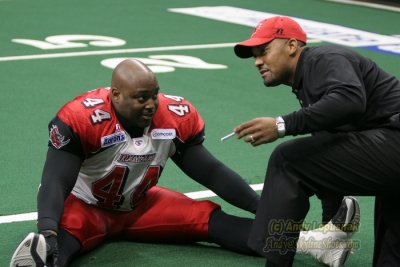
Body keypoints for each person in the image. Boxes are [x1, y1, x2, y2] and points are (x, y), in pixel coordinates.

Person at [10, 59, 357, 267]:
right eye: (140, 97)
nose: (150, 104)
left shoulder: (172, 118)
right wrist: (48, 229)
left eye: (154, 94)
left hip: (142, 205)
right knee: (58, 248)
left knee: (217, 222)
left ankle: (316, 244)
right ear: (115, 95)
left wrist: (262, 207)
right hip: (88, 205)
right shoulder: (82, 117)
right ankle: (42, 255)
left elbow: (213, 173)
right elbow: (54, 181)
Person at [232, 16, 400, 267]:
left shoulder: (323, 59)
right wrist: (330, 225)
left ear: (291, 46)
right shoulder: (310, 82)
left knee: (286, 160)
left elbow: (350, 99)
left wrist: (282, 125)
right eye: (255, 55)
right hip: (390, 149)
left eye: (264, 51)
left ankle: (276, 261)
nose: (257, 61)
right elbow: (328, 151)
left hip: (394, 140)